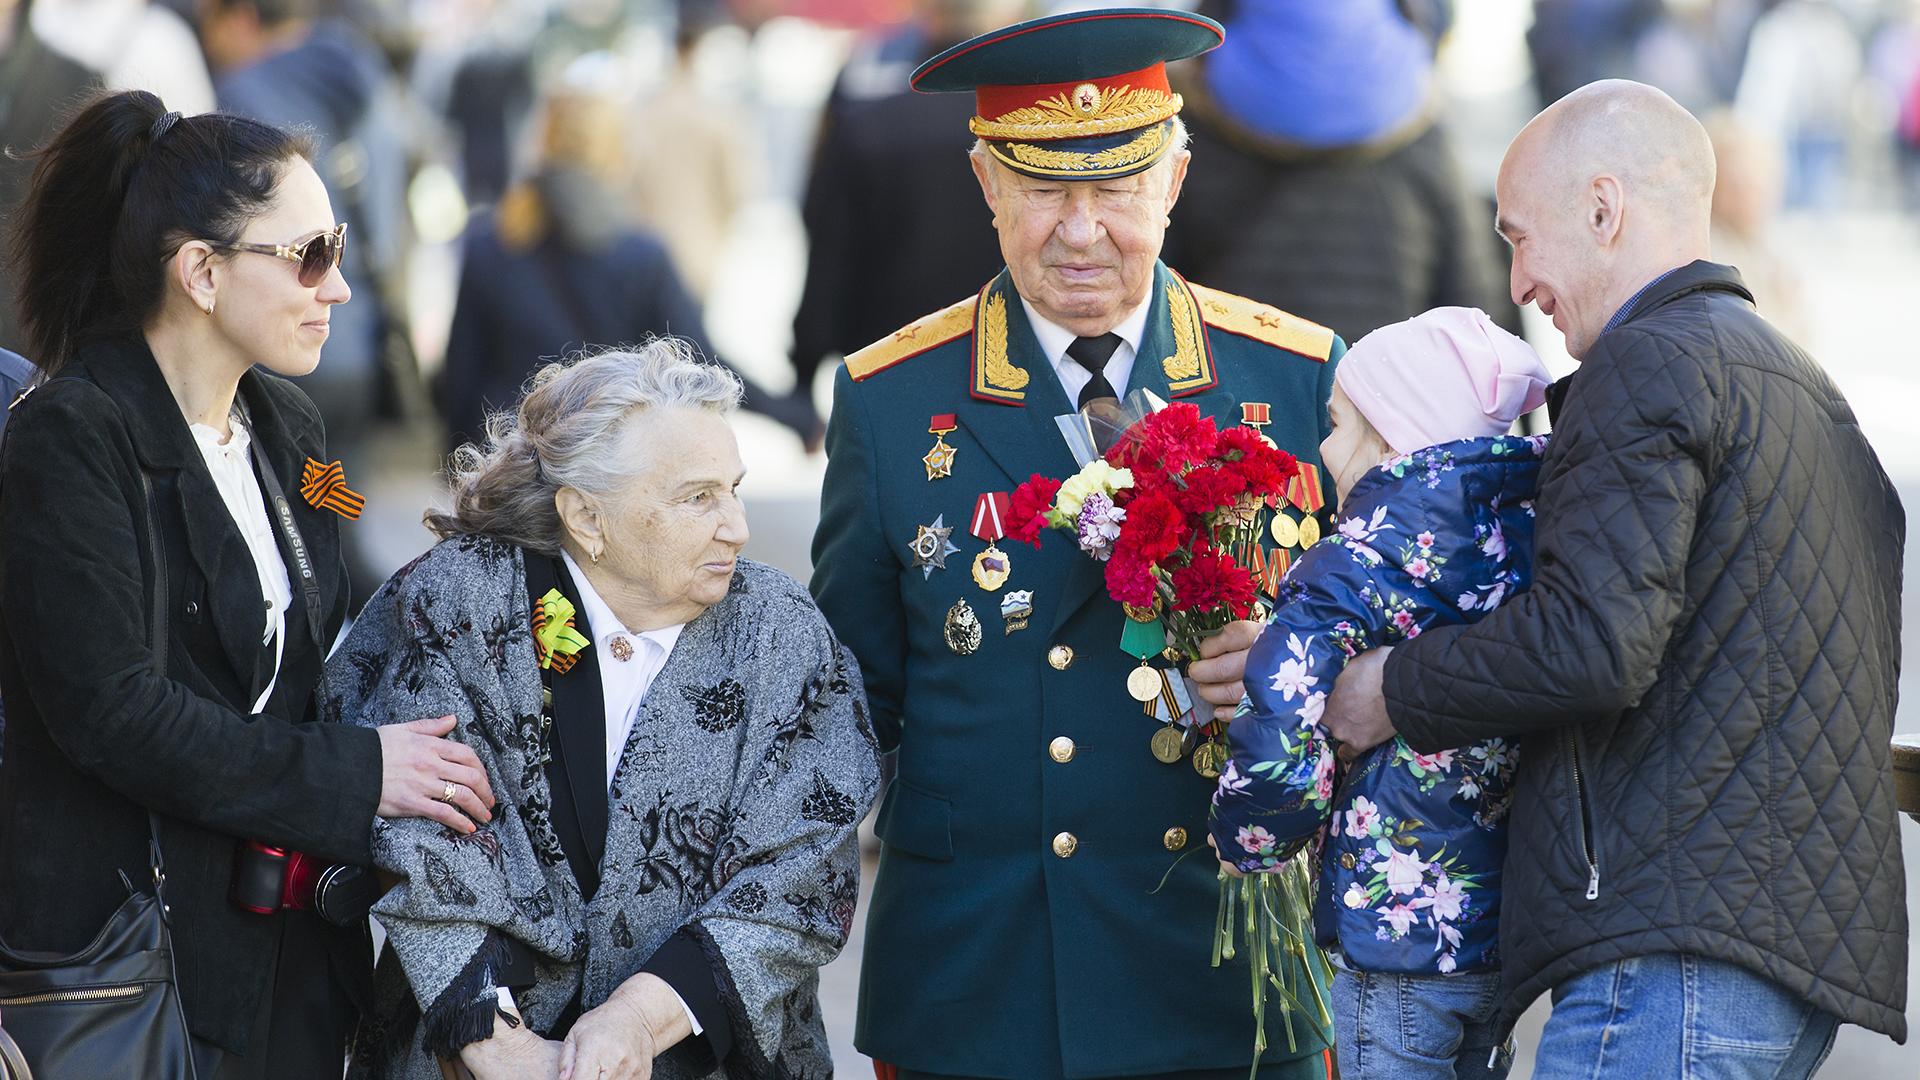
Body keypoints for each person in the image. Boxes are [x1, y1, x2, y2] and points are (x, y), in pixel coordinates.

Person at [1322, 80, 1909, 1074]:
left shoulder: (1644, 364)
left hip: (1677, 953)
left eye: (1519, 237)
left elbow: (1591, 644)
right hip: (1779, 952)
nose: (1518, 283)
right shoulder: (1800, 383)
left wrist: (1388, 690)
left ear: (1602, 209)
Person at [812, 10, 1349, 1078]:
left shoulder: (1293, 379)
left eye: (1114, 192)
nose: (1081, 231)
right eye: (1047, 191)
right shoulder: (889, 399)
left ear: (1175, 183)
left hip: (1223, 972)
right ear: (985, 185)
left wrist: (1294, 671)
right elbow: (843, 703)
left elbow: (1387, 659)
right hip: (985, 980)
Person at [0, 90, 497, 1077]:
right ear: (200, 272)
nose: (340, 288)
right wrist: (360, 773)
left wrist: (514, 584)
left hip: (294, 960)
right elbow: (114, 711)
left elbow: (345, 568)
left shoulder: (290, 432)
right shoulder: (72, 437)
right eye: (309, 256)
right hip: (142, 970)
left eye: (340, 247)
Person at [335, 343, 880, 1079]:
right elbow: (423, 828)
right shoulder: (462, 603)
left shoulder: (779, 628)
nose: (737, 528)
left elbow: (804, 863)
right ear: (587, 517)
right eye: (698, 498)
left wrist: (638, 1016)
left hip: (704, 1052)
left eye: (734, 490)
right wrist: (499, 1045)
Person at [1208, 308, 1553, 1079]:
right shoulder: (1532, 543)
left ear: (1393, 439)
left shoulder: (1351, 566)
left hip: (1389, 938)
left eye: (1336, 423)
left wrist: (1247, 839)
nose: (1323, 446)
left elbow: (1279, 715)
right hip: (1499, 935)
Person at [436, 64, 819, 456]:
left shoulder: (490, 245)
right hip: (602, 465)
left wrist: (464, 476)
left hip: (514, 463)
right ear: (617, 154)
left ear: (541, 142)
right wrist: (797, 419)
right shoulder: (641, 258)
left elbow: (460, 382)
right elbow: (703, 365)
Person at [1162, 0, 1515, 345]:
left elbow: (1158, 284)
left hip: (1240, 386)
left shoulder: (1192, 126)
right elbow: (1472, 299)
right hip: (1384, 392)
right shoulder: (1417, 124)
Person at [786, 0, 1019, 403]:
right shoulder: (1029, 129)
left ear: (929, 22)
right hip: (1009, 361)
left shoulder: (867, 126)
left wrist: (804, 371)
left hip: (890, 366)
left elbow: (827, 247)